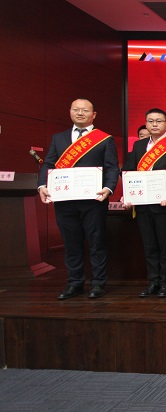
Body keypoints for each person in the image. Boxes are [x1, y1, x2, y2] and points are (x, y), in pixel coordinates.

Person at [37, 98, 119, 300]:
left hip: (94, 201)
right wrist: (42, 185)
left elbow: (111, 167)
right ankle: (74, 283)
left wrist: (108, 188)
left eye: (85, 110)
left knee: (96, 243)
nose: (80, 113)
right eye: (76, 109)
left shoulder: (104, 139)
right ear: (70, 112)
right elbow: (49, 164)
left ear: (94, 115)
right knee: (71, 243)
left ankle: (98, 283)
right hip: (65, 201)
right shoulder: (58, 138)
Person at [122, 109, 166, 298]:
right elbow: (128, 171)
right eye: (150, 121)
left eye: (159, 121)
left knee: (165, 245)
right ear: (146, 123)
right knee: (149, 245)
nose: (154, 124)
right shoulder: (138, 146)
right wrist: (127, 194)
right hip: (143, 204)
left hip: (164, 203)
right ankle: (153, 282)